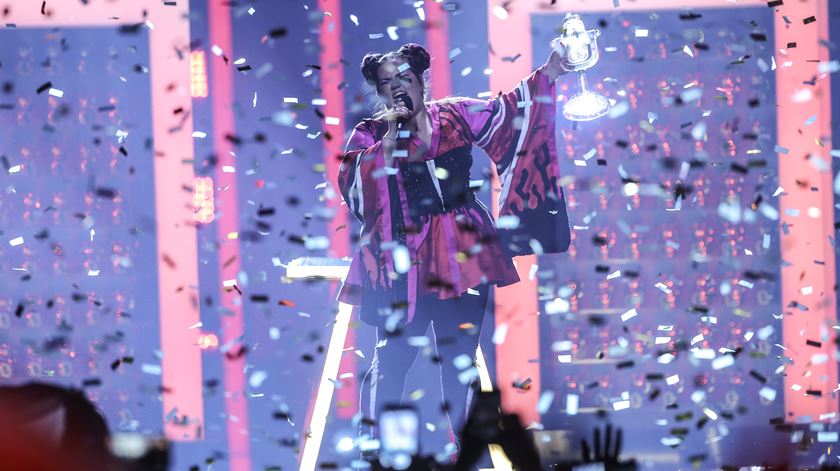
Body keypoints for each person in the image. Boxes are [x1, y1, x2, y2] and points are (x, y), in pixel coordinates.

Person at [336, 41, 571, 456]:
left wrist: (550, 71)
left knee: (460, 360)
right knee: (391, 359)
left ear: (421, 81)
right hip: (400, 262)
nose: (397, 88)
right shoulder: (371, 134)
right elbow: (355, 191)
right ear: (379, 91)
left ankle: (471, 456)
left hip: (463, 255)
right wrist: (392, 139)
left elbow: (509, 113)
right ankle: (378, 455)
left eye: (405, 78)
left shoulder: (456, 114)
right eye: (387, 82)